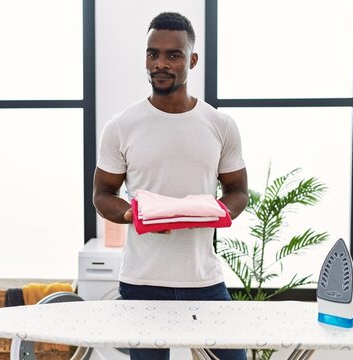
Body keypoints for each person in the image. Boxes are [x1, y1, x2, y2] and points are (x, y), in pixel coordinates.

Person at [93, 12, 248, 360]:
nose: (160, 63)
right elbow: (102, 195)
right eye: (153, 53)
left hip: (203, 280)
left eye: (173, 55)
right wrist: (137, 215)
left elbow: (238, 190)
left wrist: (214, 212)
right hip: (142, 283)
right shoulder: (121, 126)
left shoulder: (219, 125)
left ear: (192, 60)